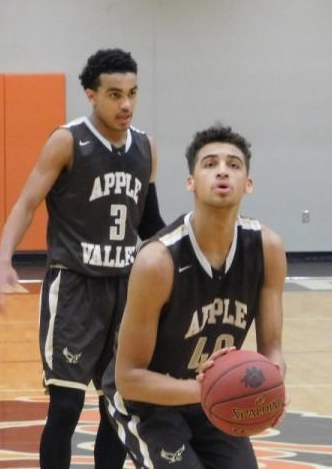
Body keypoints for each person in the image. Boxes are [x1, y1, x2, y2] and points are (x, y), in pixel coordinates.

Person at [0, 48, 164, 469]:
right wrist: (2, 259)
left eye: (133, 93)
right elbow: (28, 203)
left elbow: (152, 227)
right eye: (114, 94)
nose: (125, 104)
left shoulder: (146, 148)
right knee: (66, 406)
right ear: (91, 94)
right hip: (74, 288)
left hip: (126, 291)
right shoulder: (67, 140)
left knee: (116, 406)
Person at [103, 125, 287, 469]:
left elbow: (272, 347)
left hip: (211, 397)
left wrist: (272, 387)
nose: (222, 170)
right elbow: (129, 377)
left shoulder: (268, 249)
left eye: (234, 164)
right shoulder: (157, 261)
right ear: (191, 182)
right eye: (210, 164)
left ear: (248, 183)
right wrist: (209, 391)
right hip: (147, 402)